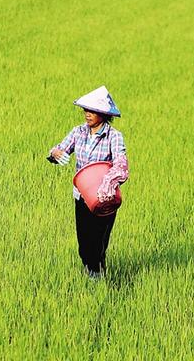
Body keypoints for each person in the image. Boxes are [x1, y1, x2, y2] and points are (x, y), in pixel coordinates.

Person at [48, 86, 129, 278]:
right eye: (86, 110)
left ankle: (97, 275)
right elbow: (60, 149)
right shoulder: (79, 132)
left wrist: (111, 179)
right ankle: (90, 269)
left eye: (92, 110)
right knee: (84, 241)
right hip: (82, 196)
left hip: (105, 196)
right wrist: (55, 153)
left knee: (99, 240)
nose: (87, 114)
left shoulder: (114, 136)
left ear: (103, 114)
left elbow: (120, 162)